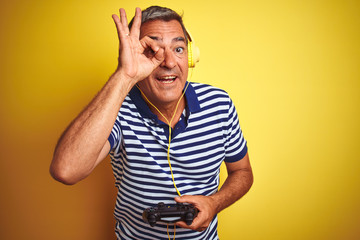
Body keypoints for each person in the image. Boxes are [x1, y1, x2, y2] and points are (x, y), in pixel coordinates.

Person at [50, 5, 253, 240]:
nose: (168, 62)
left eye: (178, 49)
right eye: (152, 50)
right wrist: (124, 76)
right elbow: (66, 170)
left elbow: (242, 171)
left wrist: (215, 203)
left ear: (190, 57)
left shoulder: (219, 104)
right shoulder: (117, 110)